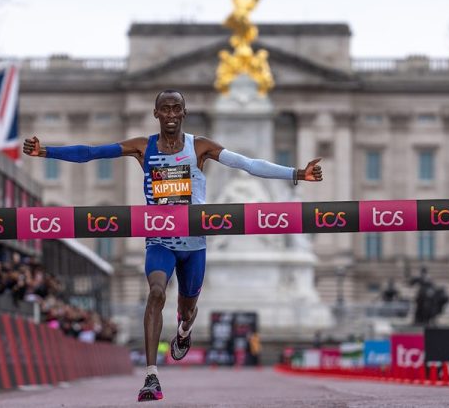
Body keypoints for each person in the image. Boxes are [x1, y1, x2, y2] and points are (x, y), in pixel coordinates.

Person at [23, 89, 323, 402]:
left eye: (175, 109)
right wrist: (46, 153)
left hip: (194, 244)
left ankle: (183, 331)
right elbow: (93, 152)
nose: (169, 115)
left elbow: (247, 164)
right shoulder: (143, 147)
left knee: (188, 309)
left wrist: (297, 174)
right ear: (156, 114)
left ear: (183, 113)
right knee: (155, 293)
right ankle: (151, 375)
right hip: (160, 240)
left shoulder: (200, 147)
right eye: (164, 109)